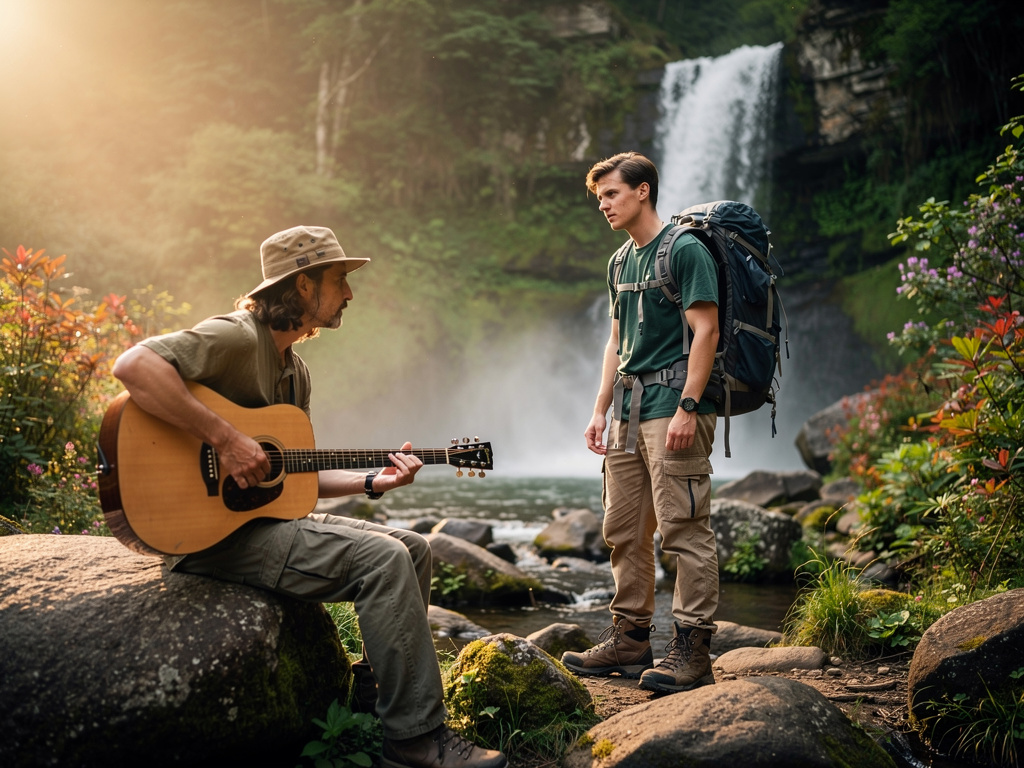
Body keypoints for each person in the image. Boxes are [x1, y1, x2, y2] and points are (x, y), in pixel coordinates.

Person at [112, 225, 506, 768]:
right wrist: (225, 439)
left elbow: (292, 474)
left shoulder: (295, 372)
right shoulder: (235, 337)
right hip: (204, 535)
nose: (349, 293)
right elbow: (133, 367)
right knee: (383, 559)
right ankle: (415, 742)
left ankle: (375, 704)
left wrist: (374, 482)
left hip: (255, 524)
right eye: (339, 279)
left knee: (413, 547)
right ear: (301, 286)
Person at [560, 152, 720, 694]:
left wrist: (689, 407)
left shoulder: (685, 250)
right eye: (599, 196)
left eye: (611, 193)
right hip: (627, 411)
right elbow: (615, 341)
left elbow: (706, 332)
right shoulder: (619, 262)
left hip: (674, 407)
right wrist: (599, 408)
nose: (603, 204)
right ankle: (630, 638)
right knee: (623, 529)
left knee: (683, 526)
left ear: (643, 190)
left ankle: (693, 648)